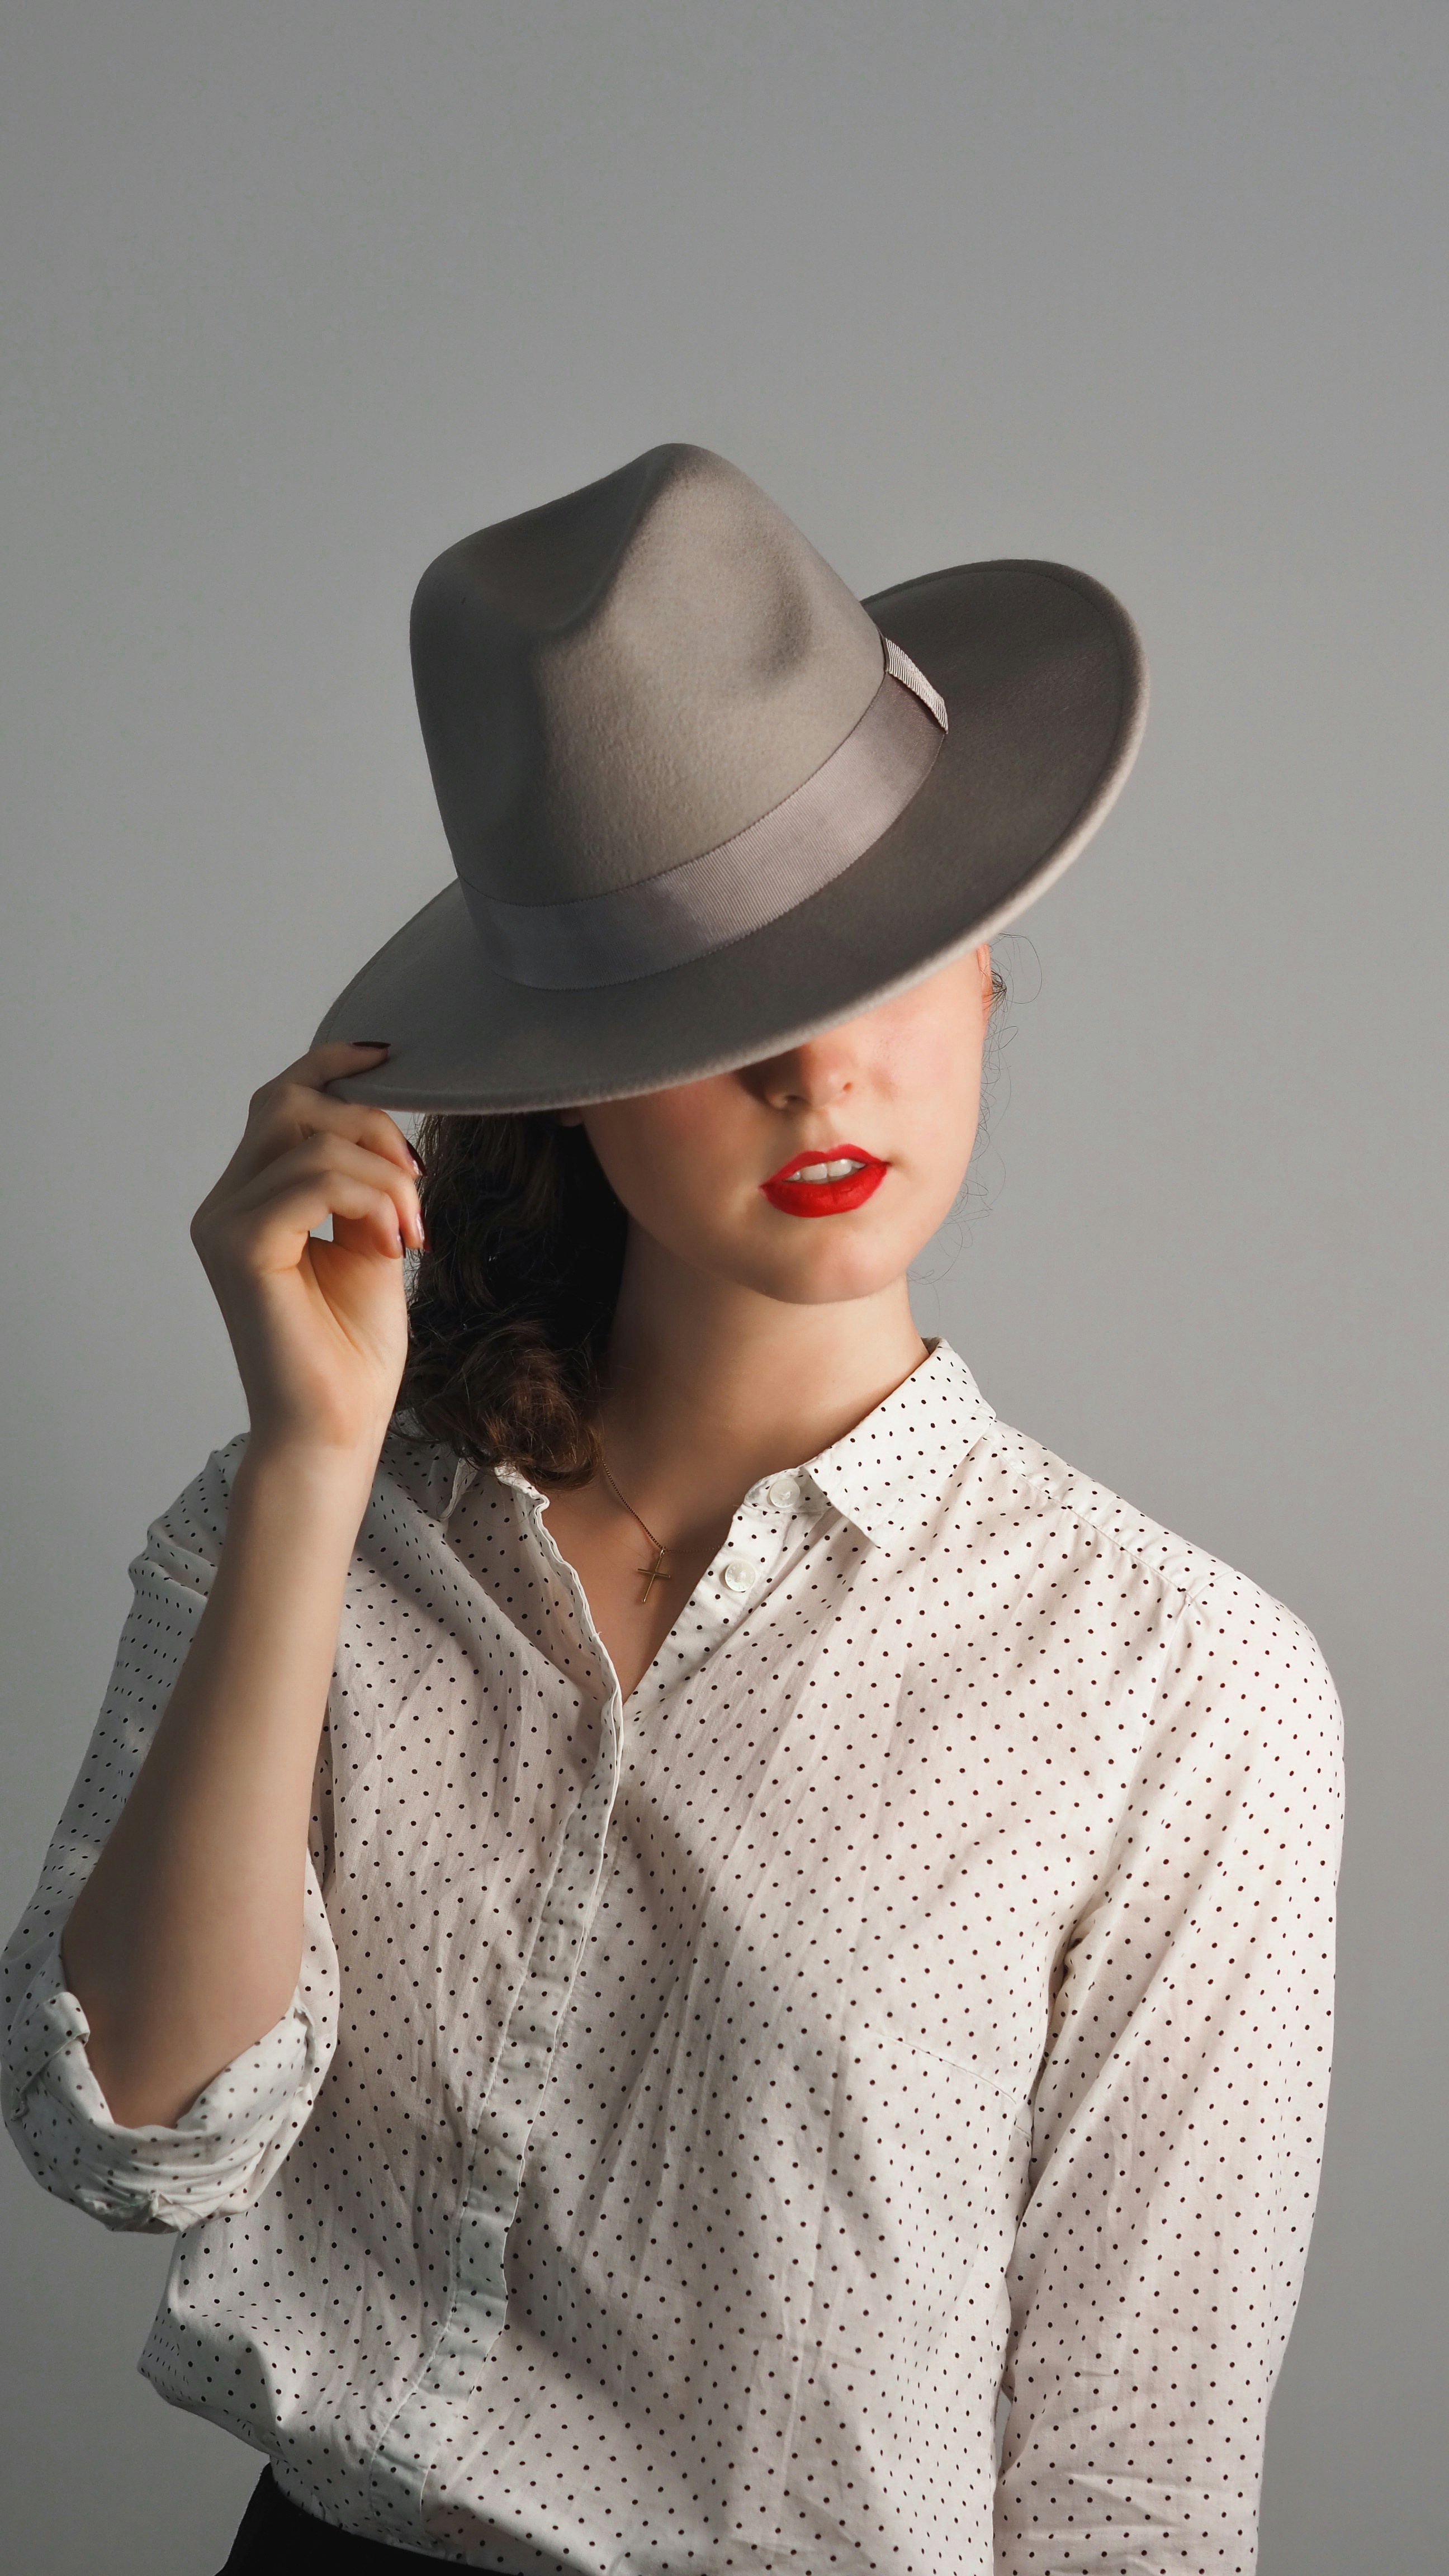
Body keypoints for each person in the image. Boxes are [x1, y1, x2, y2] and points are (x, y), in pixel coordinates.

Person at [2, 446, 1343, 2575]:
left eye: (882, 964)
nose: (819, 1081)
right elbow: (128, 2127)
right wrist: (312, 1468)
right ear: (556, 1070)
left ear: (991, 965)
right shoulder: (317, 1528)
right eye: (716, 1011)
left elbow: (1135, 2503)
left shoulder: (1181, 1693)